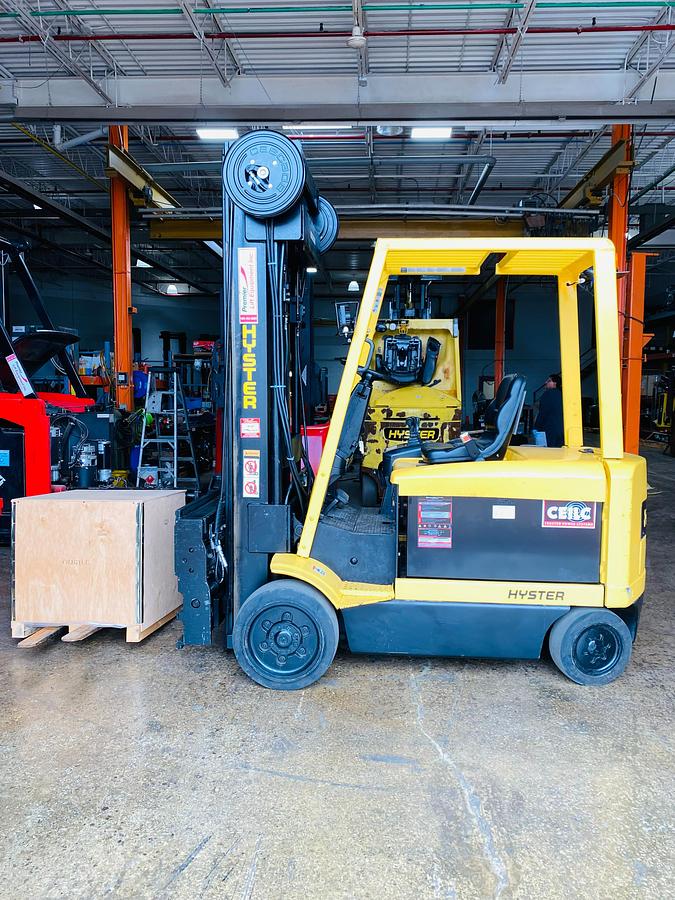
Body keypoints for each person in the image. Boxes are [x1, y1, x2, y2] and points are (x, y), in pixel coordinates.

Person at [532, 373, 564, 447]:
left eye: (549, 381)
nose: (546, 382)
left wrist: (536, 427)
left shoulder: (547, 394)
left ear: (555, 383)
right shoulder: (562, 394)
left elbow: (543, 413)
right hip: (561, 431)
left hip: (549, 430)